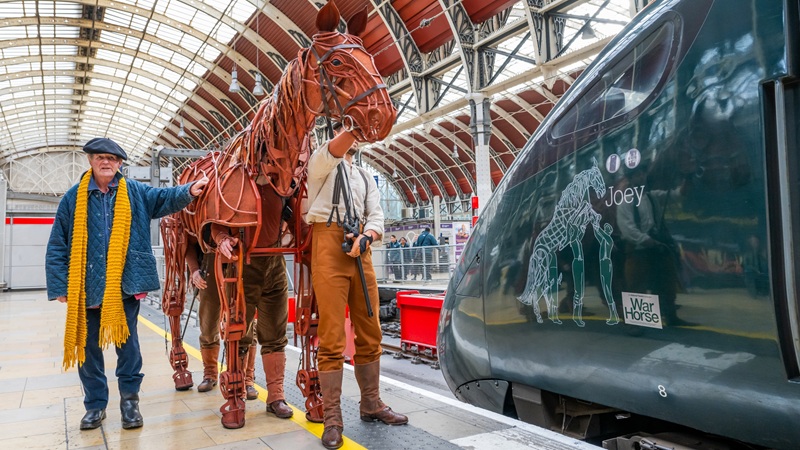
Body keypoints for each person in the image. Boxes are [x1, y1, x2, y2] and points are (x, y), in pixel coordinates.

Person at [45, 137, 208, 431]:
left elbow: (163, 198)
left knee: (128, 345)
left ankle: (129, 404)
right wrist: (59, 286)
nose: (105, 162)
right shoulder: (73, 198)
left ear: (120, 163)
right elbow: (58, 243)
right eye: (99, 157)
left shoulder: (134, 192)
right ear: (90, 161)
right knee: (89, 348)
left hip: (125, 284)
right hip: (87, 287)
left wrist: (189, 191)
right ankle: (94, 406)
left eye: (111, 158)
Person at [306, 131, 408, 449]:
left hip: (360, 246)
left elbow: (376, 214)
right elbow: (333, 151)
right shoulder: (320, 162)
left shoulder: (365, 176)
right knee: (333, 334)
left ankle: (371, 404)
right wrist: (351, 127)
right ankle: (333, 419)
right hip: (327, 242)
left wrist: (369, 235)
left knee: (370, 327)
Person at [211, 182, 294, 420]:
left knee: (276, 334)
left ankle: (276, 396)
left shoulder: (283, 186)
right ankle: (236, 395)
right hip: (241, 266)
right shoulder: (233, 182)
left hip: (275, 263)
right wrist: (222, 238)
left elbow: (299, 217)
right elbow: (215, 222)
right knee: (238, 333)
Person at [184, 242, 259, 400]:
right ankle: (210, 373)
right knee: (208, 322)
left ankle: (247, 378)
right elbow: (188, 240)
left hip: (243, 259)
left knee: (247, 321)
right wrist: (194, 270)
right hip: (210, 259)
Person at [616, 164, 687, 326]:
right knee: (637, 286)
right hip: (638, 251)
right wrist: (647, 240)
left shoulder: (652, 196)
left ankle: (671, 316)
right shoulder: (625, 202)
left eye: (643, 173)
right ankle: (637, 324)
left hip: (656, 248)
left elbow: (677, 194)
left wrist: (687, 178)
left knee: (667, 281)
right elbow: (628, 230)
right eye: (637, 175)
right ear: (630, 179)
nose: (641, 177)